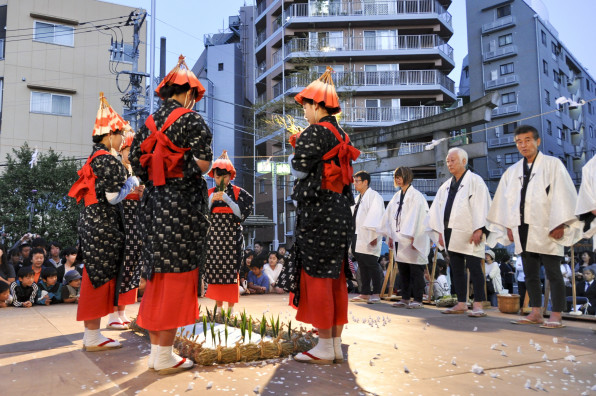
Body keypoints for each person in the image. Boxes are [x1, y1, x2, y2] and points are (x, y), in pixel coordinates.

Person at [130, 55, 212, 374]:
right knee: (177, 278)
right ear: (189, 93)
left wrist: (158, 173)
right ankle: (164, 355)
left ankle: (157, 352)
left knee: (157, 276)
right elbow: (204, 164)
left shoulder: (148, 123)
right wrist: (181, 169)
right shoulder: (192, 121)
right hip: (182, 206)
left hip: (153, 205)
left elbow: (137, 165)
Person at [289, 67, 360, 365]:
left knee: (317, 275)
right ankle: (332, 345)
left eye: (306, 105)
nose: (304, 111)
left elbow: (299, 169)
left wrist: (299, 147)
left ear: (317, 105)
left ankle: (323, 344)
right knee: (335, 277)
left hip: (319, 212)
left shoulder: (315, 132)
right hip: (341, 211)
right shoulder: (341, 133)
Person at [487, 124, 582, 329]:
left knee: (553, 273)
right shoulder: (512, 172)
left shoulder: (552, 164)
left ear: (538, 141)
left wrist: (562, 222)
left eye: (528, 140)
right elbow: (506, 201)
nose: (523, 145)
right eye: (519, 142)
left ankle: (556, 314)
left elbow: (564, 194)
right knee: (529, 273)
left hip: (548, 227)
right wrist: (508, 226)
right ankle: (536, 312)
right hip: (522, 228)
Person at [68, 92, 138, 352]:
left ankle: (92, 334)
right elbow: (112, 197)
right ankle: (92, 336)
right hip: (104, 228)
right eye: (120, 135)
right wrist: (131, 183)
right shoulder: (108, 160)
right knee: (99, 281)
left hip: (91, 225)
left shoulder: (93, 158)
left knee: (94, 278)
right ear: (109, 134)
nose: (122, 140)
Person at [427, 148, 491, 317]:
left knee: (474, 268)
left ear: (464, 161)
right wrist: (439, 231)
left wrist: (479, 228)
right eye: (447, 161)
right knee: (456, 269)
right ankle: (461, 302)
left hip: (470, 231)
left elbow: (482, 205)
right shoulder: (446, 186)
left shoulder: (475, 181)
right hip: (450, 231)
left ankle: (478, 304)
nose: (449, 164)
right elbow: (438, 211)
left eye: (452, 160)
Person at [204, 150, 254, 314]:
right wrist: (212, 201)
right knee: (216, 273)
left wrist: (228, 200)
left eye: (224, 177)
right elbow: (204, 215)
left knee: (231, 274)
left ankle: (231, 309)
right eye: (217, 177)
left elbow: (241, 215)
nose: (220, 180)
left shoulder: (239, 193)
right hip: (214, 240)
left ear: (230, 176)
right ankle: (218, 308)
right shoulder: (209, 193)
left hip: (232, 240)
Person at [377, 166, 430, 309]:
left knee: (416, 270)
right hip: (399, 238)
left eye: (400, 177)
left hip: (412, 238)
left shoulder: (417, 196)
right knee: (403, 269)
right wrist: (389, 235)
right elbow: (390, 216)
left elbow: (419, 218)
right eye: (396, 177)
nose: (398, 180)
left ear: (407, 177)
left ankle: (418, 299)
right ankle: (405, 298)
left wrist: (415, 236)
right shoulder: (396, 196)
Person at [108, 129, 145, 330]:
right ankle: (113, 312)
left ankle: (121, 312)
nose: (131, 154)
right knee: (120, 265)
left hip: (136, 224)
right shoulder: (116, 170)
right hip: (122, 222)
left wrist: (142, 193)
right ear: (121, 150)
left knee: (132, 266)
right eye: (128, 149)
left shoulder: (137, 174)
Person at [349, 170, 385, 304]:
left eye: (357, 181)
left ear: (365, 182)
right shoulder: (358, 198)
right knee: (362, 264)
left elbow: (377, 216)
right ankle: (365, 293)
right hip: (357, 235)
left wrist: (374, 235)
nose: (355, 183)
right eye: (354, 181)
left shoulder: (374, 196)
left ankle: (376, 292)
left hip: (370, 235)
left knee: (371, 264)